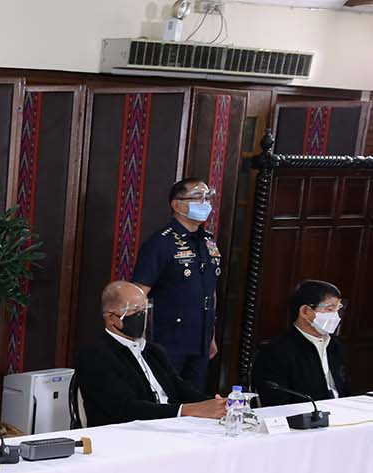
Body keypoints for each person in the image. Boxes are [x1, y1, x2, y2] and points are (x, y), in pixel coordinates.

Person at [75, 281, 227, 427]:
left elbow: (181, 389)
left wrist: (217, 404)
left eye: (144, 310)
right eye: (135, 311)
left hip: (168, 427)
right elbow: (124, 408)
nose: (142, 316)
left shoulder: (153, 351)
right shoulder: (94, 355)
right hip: (125, 435)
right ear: (111, 318)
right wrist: (186, 410)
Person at [131, 177, 223, 391]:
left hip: (200, 336)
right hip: (169, 338)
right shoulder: (160, 243)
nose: (205, 202)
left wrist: (211, 335)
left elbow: (211, 288)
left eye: (208, 197)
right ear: (177, 205)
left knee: (195, 397)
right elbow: (138, 293)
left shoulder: (208, 241)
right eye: (197, 197)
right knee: (167, 397)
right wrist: (138, 337)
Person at [253, 280, 350, 407]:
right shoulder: (276, 351)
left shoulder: (336, 346)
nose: (336, 316)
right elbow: (275, 402)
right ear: (305, 311)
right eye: (330, 309)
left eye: (338, 309)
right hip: (304, 420)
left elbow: (345, 391)